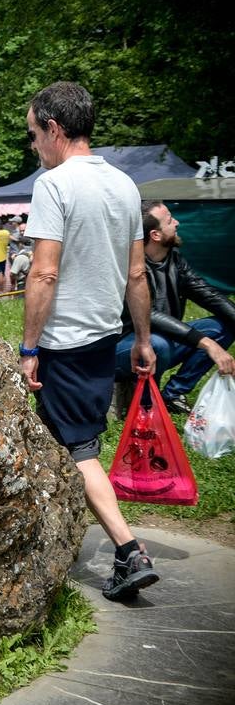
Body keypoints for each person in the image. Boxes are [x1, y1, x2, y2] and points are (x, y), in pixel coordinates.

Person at [19, 80, 158, 602]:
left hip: (64, 341)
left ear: (54, 130)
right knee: (78, 441)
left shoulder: (53, 185)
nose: (33, 146)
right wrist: (142, 339)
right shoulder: (124, 185)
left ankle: (127, 551)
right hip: (105, 335)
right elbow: (138, 275)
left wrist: (30, 349)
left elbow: (44, 274)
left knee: (78, 450)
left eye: (34, 135)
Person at [116, 201, 235, 413]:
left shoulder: (174, 260)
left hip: (164, 341)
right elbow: (149, 314)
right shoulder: (130, 267)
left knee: (223, 326)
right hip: (126, 348)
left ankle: (173, 394)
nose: (177, 223)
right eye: (170, 220)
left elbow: (208, 294)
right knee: (157, 343)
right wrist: (206, 343)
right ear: (155, 235)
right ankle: (145, 406)